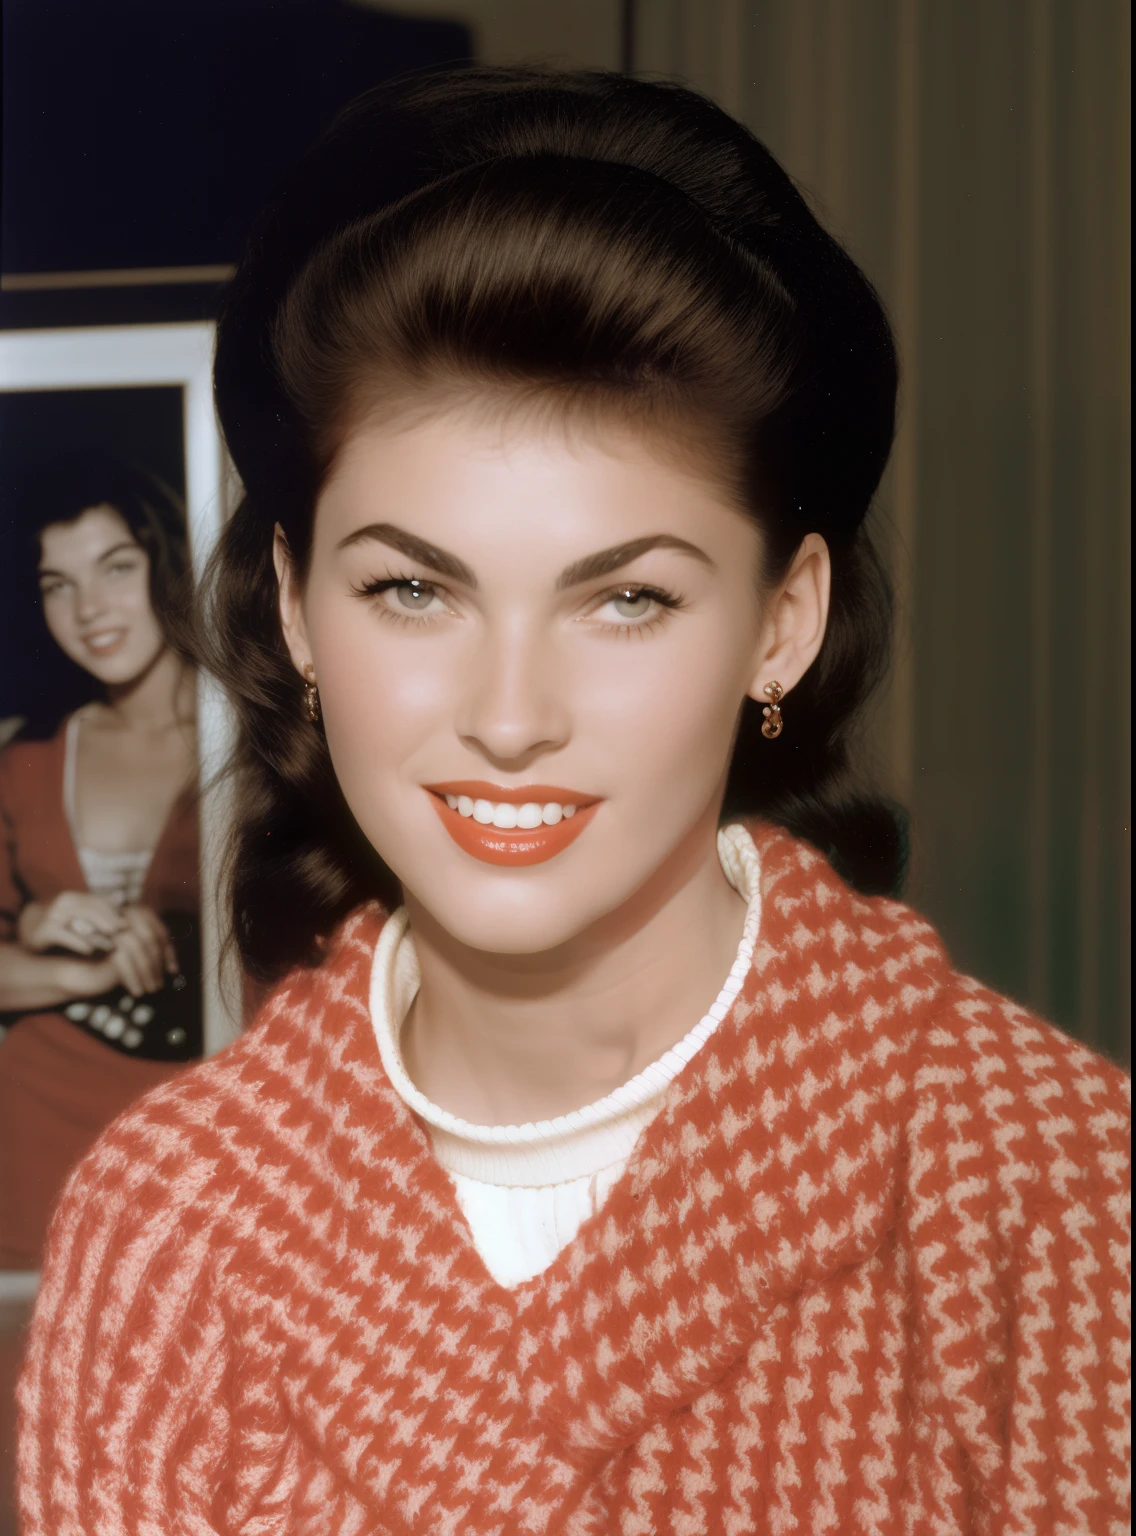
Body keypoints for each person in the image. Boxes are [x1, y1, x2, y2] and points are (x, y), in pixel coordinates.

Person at [17, 67, 1129, 1534]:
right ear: (293, 603)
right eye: (412, 589)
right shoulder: (165, 1225)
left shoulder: (1052, 1193)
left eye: (627, 600)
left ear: (782, 622)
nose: (509, 716)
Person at [0, 455, 201, 1271]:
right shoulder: (29, 755)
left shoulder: (255, 746)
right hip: (35, 1143)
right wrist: (72, 965)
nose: (88, 610)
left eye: (117, 568)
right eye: (57, 584)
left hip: (199, 1144)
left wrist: (179, 932)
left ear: (168, 561)